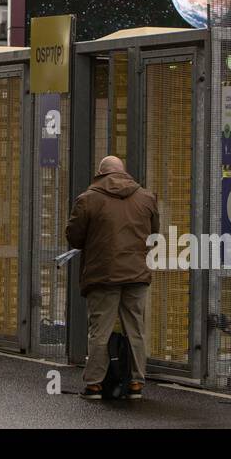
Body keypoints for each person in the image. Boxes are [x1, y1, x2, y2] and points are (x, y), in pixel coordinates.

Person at [65, 155, 159, 400]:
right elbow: (154, 235)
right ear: (123, 172)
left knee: (100, 330)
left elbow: (74, 237)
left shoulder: (88, 200)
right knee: (135, 329)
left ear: (100, 173)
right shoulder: (146, 198)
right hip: (137, 274)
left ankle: (94, 384)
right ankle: (137, 383)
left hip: (102, 274)